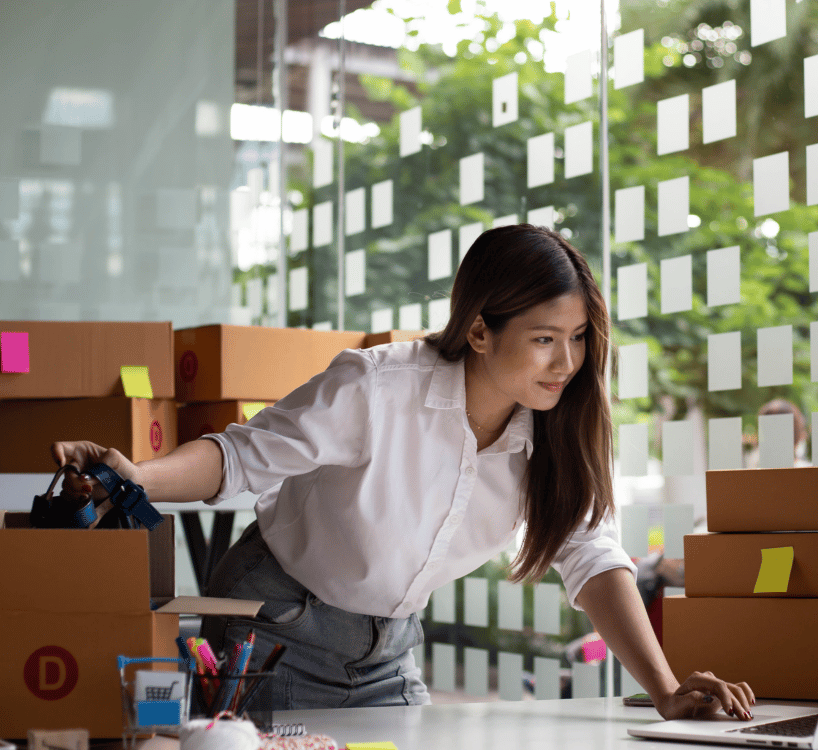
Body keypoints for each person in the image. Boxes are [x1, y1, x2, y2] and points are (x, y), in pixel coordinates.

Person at [52, 224, 755, 721]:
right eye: (544, 339)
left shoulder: (560, 431)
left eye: (576, 339)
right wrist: (135, 476)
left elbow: (592, 554)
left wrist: (664, 690)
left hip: (391, 653)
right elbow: (242, 456)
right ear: (480, 330)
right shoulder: (377, 388)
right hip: (278, 637)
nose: (566, 364)